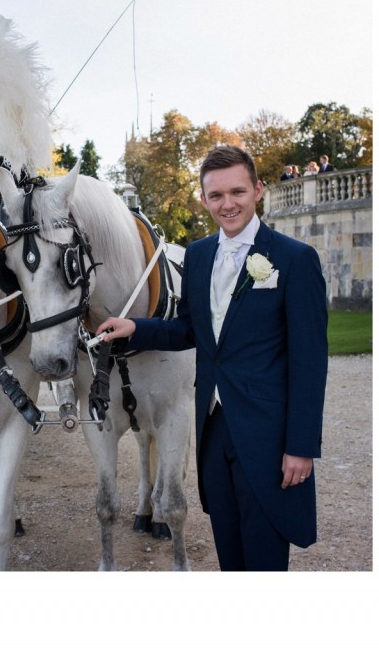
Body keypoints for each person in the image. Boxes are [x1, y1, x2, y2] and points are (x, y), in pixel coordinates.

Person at [95, 145, 327, 571]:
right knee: (230, 556)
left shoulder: (295, 259)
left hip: (268, 436)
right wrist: (136, 328)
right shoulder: (198, 256)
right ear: (204, 199)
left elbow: (309, 363)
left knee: (263, 559)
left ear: (257, 190)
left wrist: (301, 446)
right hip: (213, 431)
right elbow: (189, 329)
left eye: (237, 191)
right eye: (216, 195)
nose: (228, 204)